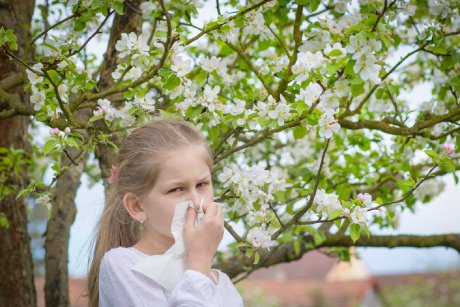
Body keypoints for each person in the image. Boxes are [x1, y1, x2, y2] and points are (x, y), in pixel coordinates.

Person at [86, 118, 244, 306]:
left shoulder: (221, 284)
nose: (196, 202)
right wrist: (199, 263)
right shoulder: (125, 266)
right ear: (137, 206)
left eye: (202, 184)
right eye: (176, 189)